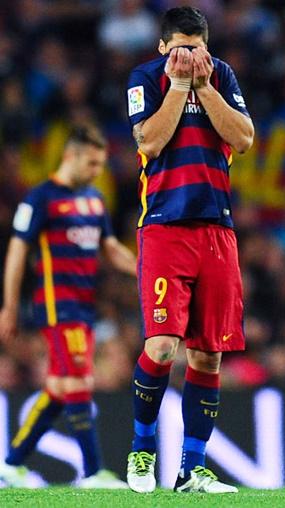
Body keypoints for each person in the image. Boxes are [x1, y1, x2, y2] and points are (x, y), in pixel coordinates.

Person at [125, 6, 253, 494]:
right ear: (162, 48)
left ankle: (191, 470)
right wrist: (180, 87)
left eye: (197, 48)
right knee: (160, 346)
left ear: (207, 47)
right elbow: (149, 141)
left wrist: (203, 87)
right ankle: (141, 450)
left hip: (217, 231)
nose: (189, 56)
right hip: (164, 227)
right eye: (180, 48)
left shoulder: (221, 75)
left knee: (208, 356)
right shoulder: (144, 78)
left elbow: (243, 138)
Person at [0, 124, 136, 488]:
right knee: (79, 379)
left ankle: (11, 463)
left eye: (100, 165)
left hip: (84, 305)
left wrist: (144, 269)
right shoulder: (40, 198)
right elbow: (17, 251)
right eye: (91, 163)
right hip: (57, 305)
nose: (96, 172)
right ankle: (92, 473)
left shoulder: (94, 199)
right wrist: (9, 306)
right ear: (70, 156)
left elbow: (110, 249)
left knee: (61, 386)